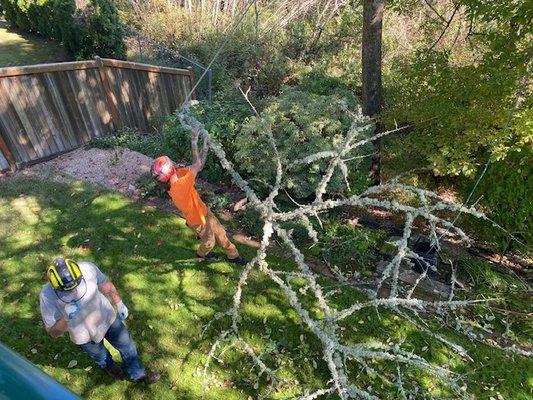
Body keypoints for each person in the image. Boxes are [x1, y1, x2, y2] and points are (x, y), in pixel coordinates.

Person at [39, 257, 160, 384]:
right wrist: (65, 318)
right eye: (67, 289)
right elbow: (53, 332)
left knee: (127, 346)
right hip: (84, 335)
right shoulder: (46, 296)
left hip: (107, 318)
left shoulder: (87, 269)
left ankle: (138, 374)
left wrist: (119, 302)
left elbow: (105, 285)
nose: (74, 291)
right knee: (101, 357)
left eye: (77, 284)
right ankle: (112, 369)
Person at [151, 130, 247, 265]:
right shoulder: (180, 186)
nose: (174, 162)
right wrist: (194, 142)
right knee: (209, 242)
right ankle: (201, 254)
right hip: (197, 221)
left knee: (220, 232)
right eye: (171, 163)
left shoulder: (178, 177)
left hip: (203, 210)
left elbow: (198, 166)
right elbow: (196, 165)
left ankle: (233, 255)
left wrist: (205, 146)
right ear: (170, 169)